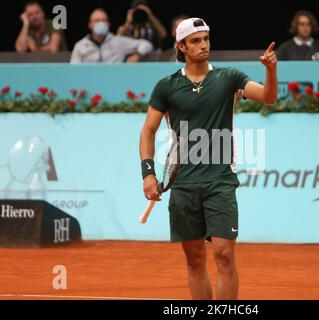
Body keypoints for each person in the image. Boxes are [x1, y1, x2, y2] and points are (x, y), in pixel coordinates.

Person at [139, 18, 278, 300]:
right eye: (195, 41)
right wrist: (148, 173)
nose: (203, 45)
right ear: (182, 47)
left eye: (206, 39)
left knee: (224, 255)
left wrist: (271, 70)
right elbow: (148, 131)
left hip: (220, 181)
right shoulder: (166, 87)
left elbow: (268, 96)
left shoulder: (229, 78)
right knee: (194, 260)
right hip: (183, 182)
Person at [70, 8, 153, 63]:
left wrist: (138, 55)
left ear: (108, 24)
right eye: (97, 20)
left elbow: (146, 44)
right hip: (88, 84)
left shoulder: (118, 41)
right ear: (90, 25)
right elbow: (74, 70)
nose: (101, 23)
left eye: (103, 20)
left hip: (115, 82)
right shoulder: (80, 46)